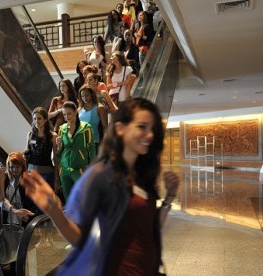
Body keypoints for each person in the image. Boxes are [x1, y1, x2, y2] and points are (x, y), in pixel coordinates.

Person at [21, 98, 180, 276]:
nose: (149, 135)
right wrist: (55, 211)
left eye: (152, 129)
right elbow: (81, 239)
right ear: (120, 128)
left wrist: (169, 199)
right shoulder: (102, 175)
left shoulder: (141, 176)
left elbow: (149, 227)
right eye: (142, 127)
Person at [56, 101, 96, 200]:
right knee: (69, 199)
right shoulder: (62, 129)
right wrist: (59, 145)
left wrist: (92, 167)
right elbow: (59, 152)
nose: (67, 117)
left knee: (85, 197)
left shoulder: (86, 127)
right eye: (64, 114)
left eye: (69, 113)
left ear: (75, 112)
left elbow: (91, 147)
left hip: (80, 169)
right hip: (65, 170)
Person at [78, 85, 108, 153]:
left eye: (87, 95)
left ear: (92, 94)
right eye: (82, 96)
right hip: (81, 142)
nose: (84, 98)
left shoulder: (99, 108)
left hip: (95, 142)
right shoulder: (80, 109)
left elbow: (105, 127)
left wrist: (105, 143)